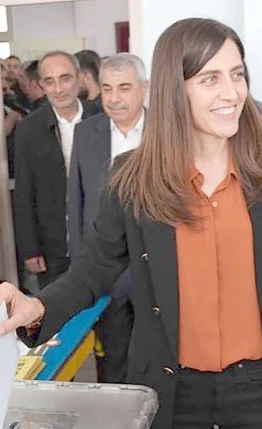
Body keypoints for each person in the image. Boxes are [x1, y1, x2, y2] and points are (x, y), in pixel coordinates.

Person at [0, 18, 262, 429]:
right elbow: (93, 269)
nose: (231, 92)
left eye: (237, 74)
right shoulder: (134, 178)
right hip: (174, 387)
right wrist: (37, 307)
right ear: (174, 89)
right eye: (210, 79)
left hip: (259, 387)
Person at [67, 53, 148, 383]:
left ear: (144, 88)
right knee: (112, 356)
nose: (114, 98)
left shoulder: (168, 130)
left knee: (157, 353)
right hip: (106, 266)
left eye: (124, 88)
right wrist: (80, 264)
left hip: (155, 264)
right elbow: (76, 201)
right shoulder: (87, 132)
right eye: (107, 88)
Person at [13, 50, 100, 289]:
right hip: (53, 244)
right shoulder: (29, 128)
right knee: (57, 305)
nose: (58, 89)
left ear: (79, 78)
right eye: (49, 82)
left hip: (99, 239)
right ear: (41, 85)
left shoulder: (100, 117)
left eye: (65, 78)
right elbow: (24, 192)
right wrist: (30, 248)